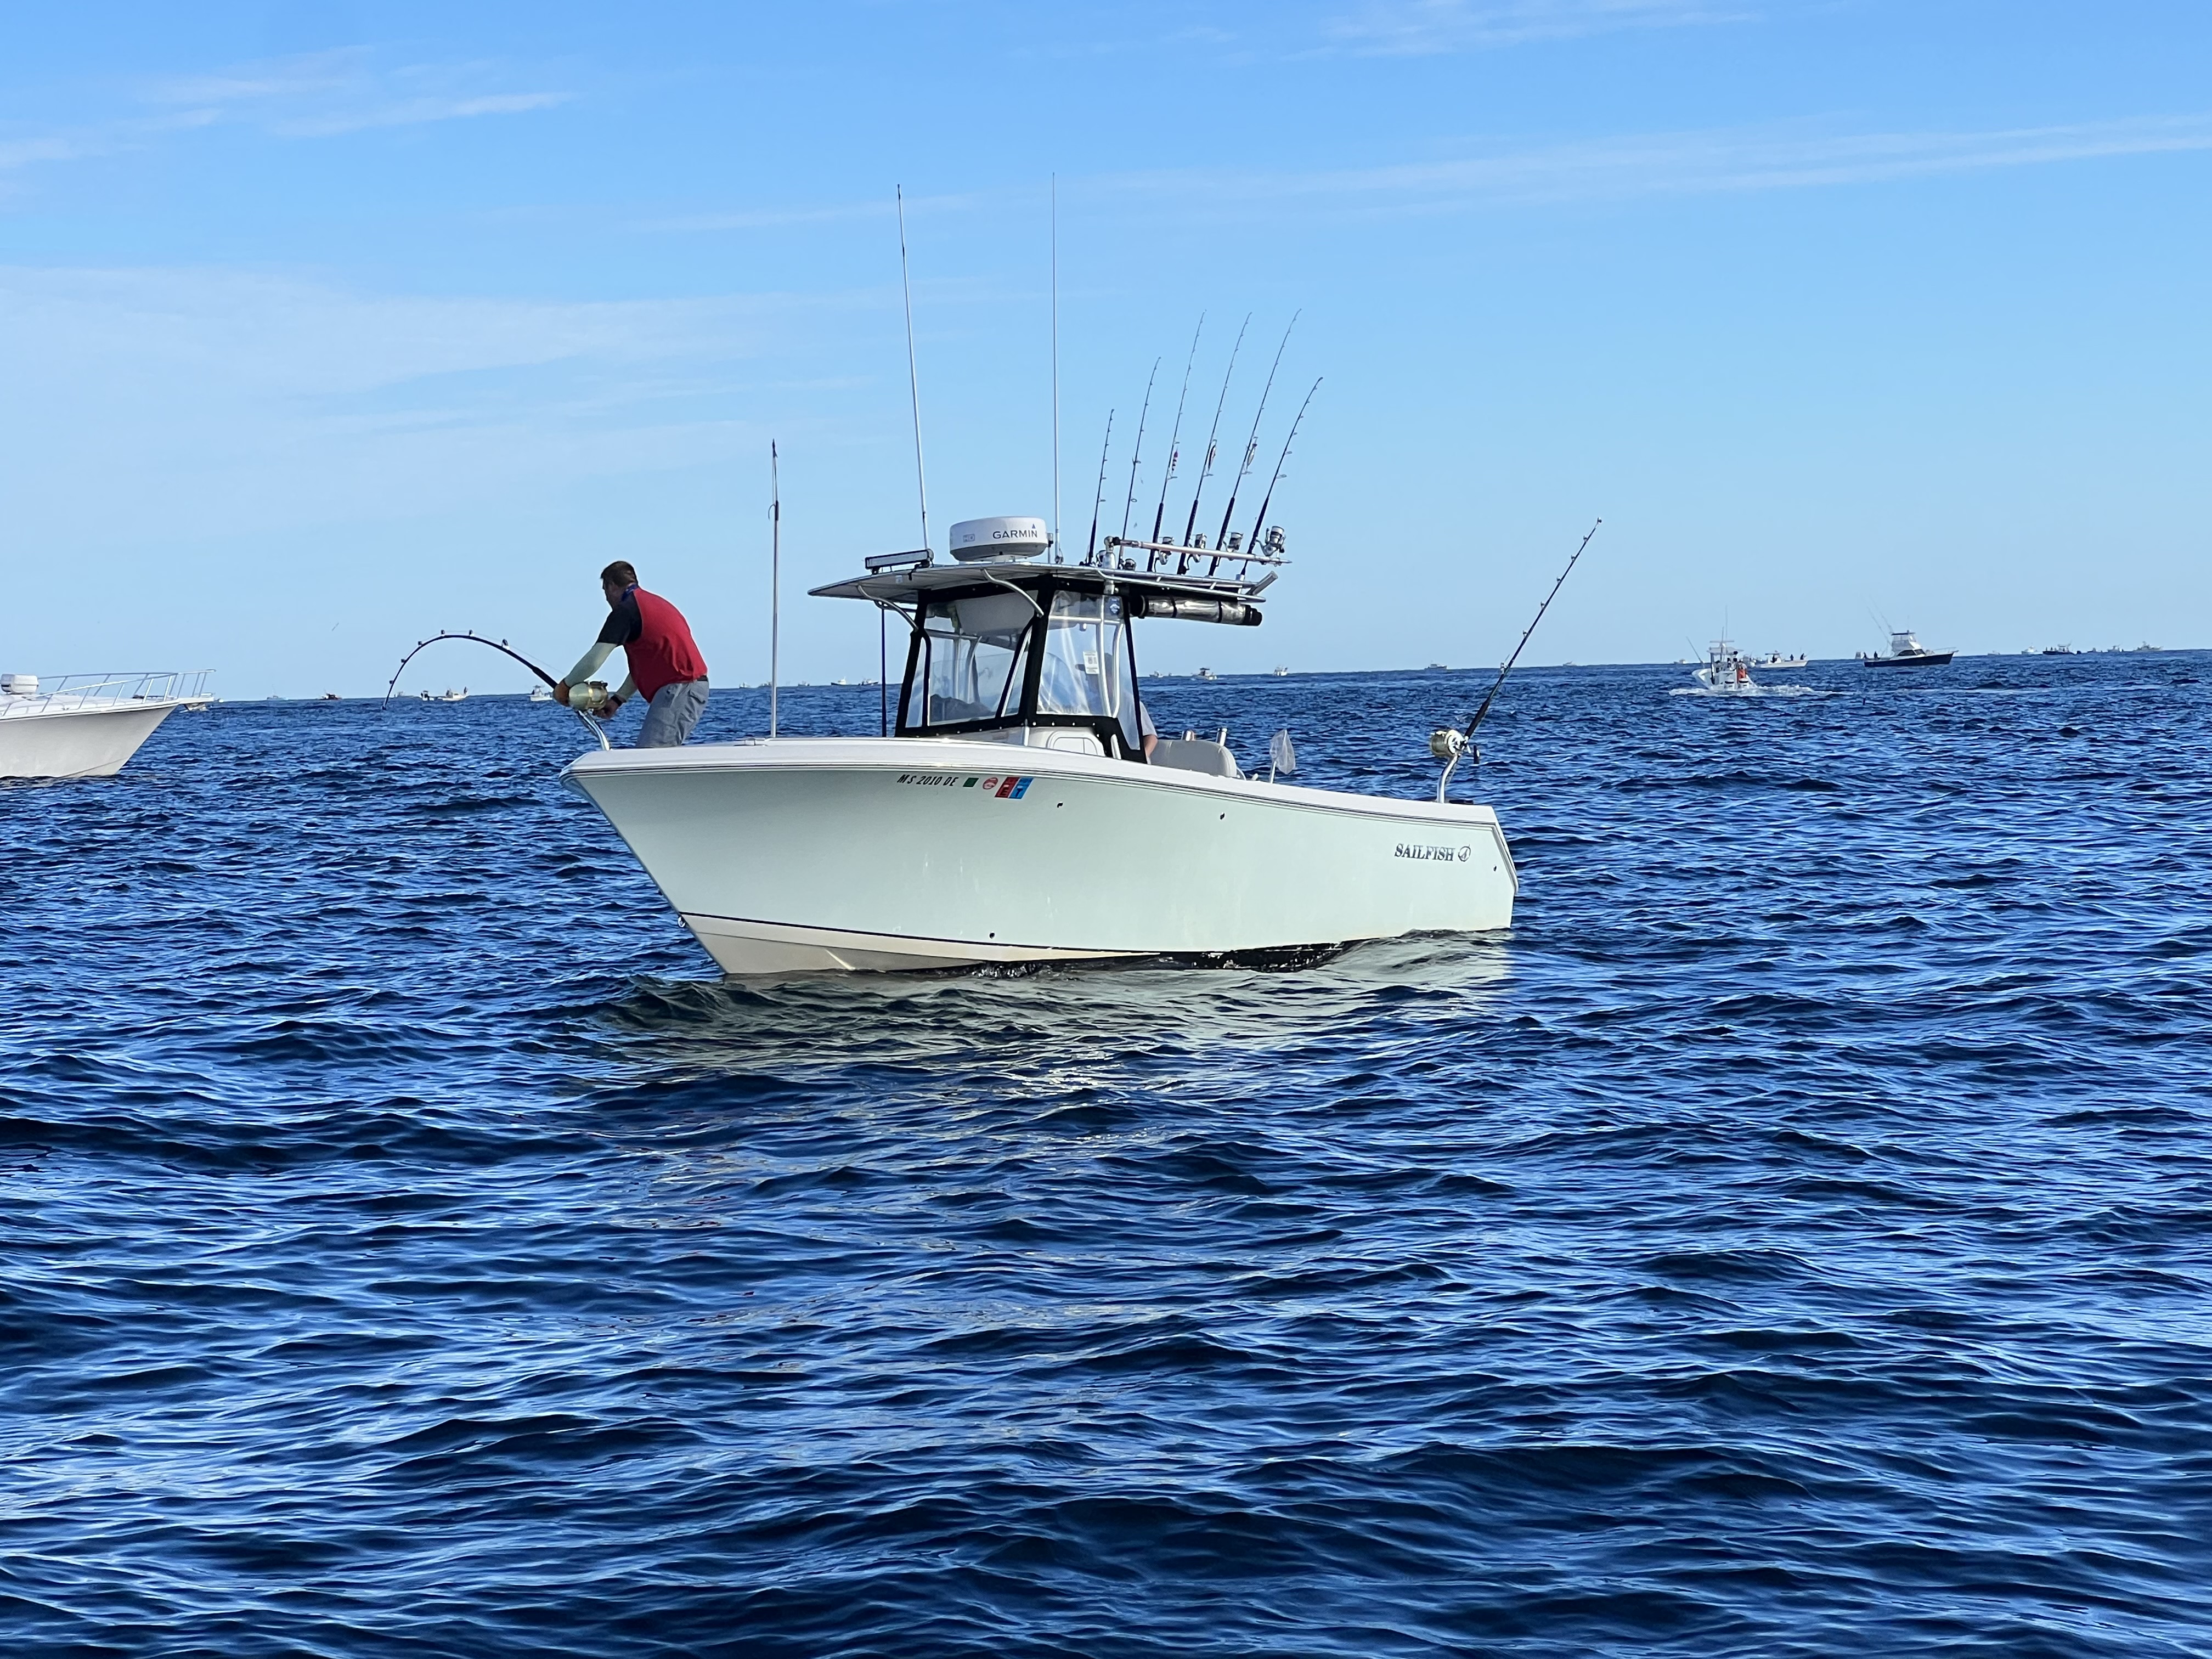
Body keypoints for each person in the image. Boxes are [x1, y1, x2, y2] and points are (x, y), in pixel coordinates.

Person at [555, 561, 709, 747]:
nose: (607, 600)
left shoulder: (626, 611)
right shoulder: (653, 604)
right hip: (685, 688)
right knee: (654, 753)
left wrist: (565, 686)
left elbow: (594, 661)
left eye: (605, 592)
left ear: (611, 586)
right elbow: (645, 668)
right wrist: (617, 700)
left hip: (681, 688)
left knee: (651, 754)